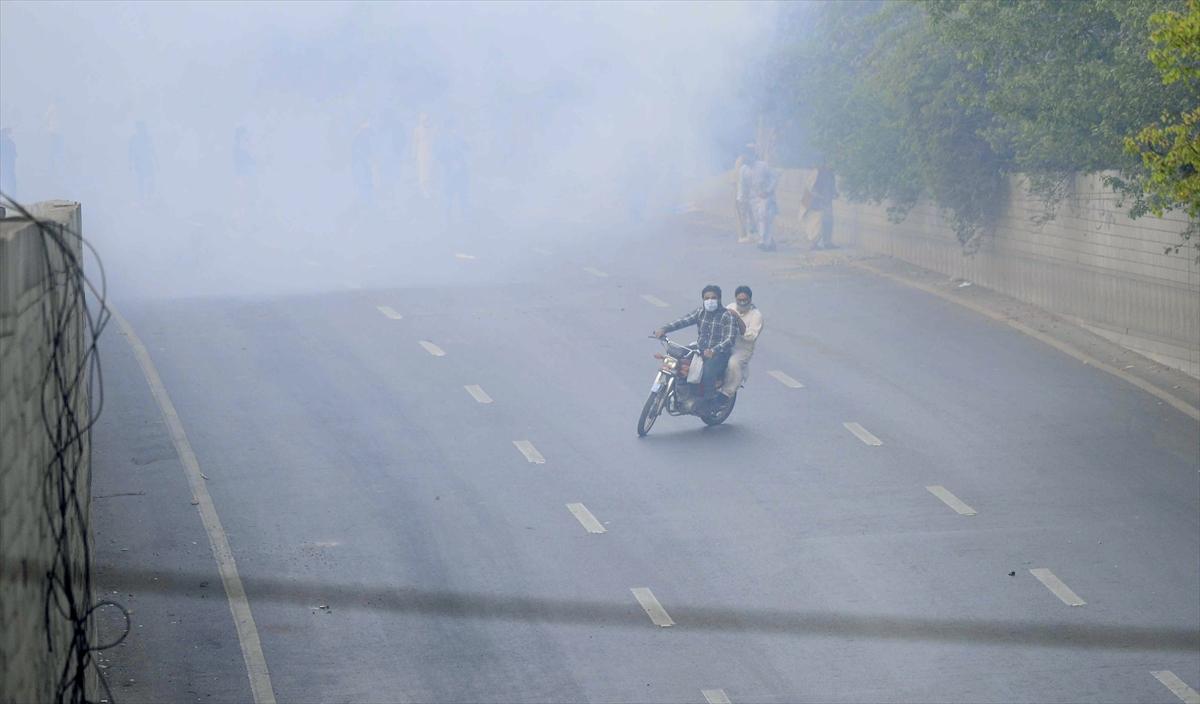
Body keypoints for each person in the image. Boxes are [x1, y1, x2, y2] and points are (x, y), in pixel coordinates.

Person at [654, 284, 738, 414]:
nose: (710, 301)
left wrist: (714, 351)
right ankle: (681, 395)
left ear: (719, 299)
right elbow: (683, 321)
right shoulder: (701, 312)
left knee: (707, 372)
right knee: (677, 361)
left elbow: (730, 339)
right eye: (707, 298)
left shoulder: (727, 316)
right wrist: (664, 329)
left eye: (713, 298)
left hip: (719, 354)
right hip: (699, 349)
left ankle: (709, 403)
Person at [722, 285, 763, 396]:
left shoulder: (756, 315)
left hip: (743, 349)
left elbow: (751, 337)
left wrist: (738, 319)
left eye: (745, 300)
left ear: (750, 299)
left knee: (733, 363)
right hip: (727, 344)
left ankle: (727, 392)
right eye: (740, 300)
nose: (742, 302)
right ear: (736, 299)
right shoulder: (730, 307)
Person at [748, 151, 778, 251]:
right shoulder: (744, 169)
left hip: (766, 197)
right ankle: (767, 242)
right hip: (753, 198)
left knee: (765, 218)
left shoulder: (763, 166)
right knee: (759, 220)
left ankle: (764, 242)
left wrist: (768, 191)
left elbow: (774, 178)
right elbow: (744, 186)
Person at [811, 163, 838, 249]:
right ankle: (817, 243)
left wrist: (835, 194)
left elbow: (832, 188)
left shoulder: (831, 174)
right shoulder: (819, 173)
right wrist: (820, 198)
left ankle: (827, 242)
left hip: (827, 202)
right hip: (818, 203)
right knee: (818, 223)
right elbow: (812, 189)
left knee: (829, 222)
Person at [734, 145, 756, 243]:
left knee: (747, 215)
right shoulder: (743, 163)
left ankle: (747, 234)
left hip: (743, 195)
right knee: (744, 216)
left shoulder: (742, 162)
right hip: (744, 196)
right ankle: (743, 235)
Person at [0, 127, 16, 199]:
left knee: (10, 184)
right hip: (5, 167)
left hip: (9, 167)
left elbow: (15, 155)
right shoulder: (6, 143)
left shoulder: (11, 142)